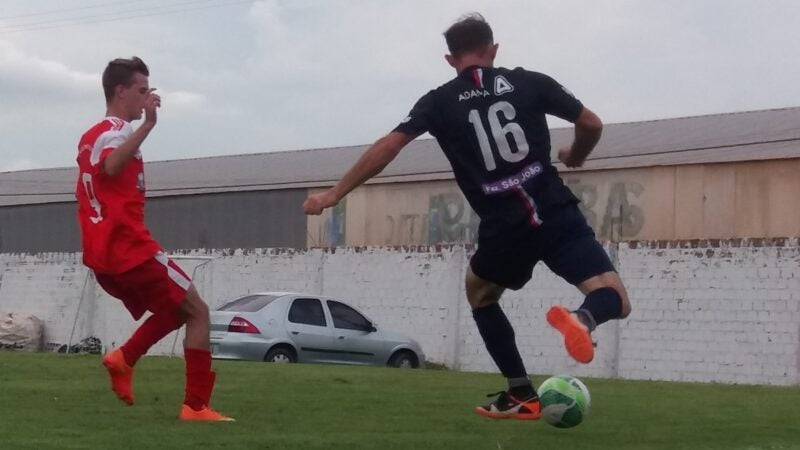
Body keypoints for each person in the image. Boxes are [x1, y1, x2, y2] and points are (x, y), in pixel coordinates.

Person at [303, 14, 631, 420]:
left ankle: (521, 393)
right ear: (493, 50)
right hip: (554, 210)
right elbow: (591, 123)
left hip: (503, 227)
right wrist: (576, 155)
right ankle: (584, 318)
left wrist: (335, 193)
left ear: (449, 59)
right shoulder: (529, 82)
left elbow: (389, 146)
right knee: (613, 297)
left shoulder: (438, 101)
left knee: (480, 294)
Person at [75, 56, 233, 422]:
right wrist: (149, 125)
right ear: (121, 91)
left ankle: (124, 359)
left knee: (176, 309)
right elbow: (112, 167)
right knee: (199, 311)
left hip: (107, 251)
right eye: (142, 91)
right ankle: (195, 406)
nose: (150, 97)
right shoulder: (115, 132)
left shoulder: (90, 137)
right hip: (129, 247)